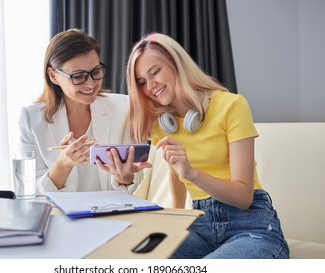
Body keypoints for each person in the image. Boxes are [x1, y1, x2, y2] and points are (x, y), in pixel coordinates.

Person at [126, 33, 289, 259]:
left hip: (251, 224)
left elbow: (244, 197)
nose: (150, 86)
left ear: (178, 64)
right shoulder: (162, 123)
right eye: (142, 81)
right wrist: (178, 219)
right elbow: (176, 174)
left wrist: (192, 173)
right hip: (200, 222)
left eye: (155, 72)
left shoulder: (232, 105)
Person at [17, 29, 150, 195]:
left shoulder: (123, 107)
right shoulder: (31, 119)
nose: (91, 84)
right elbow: (29, 192)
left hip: (111, 214)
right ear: (53, 76)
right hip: (58, 217)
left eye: (95, 72)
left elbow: (133, 185)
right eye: (78, 76)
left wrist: (124, 176)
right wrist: (63, 164)